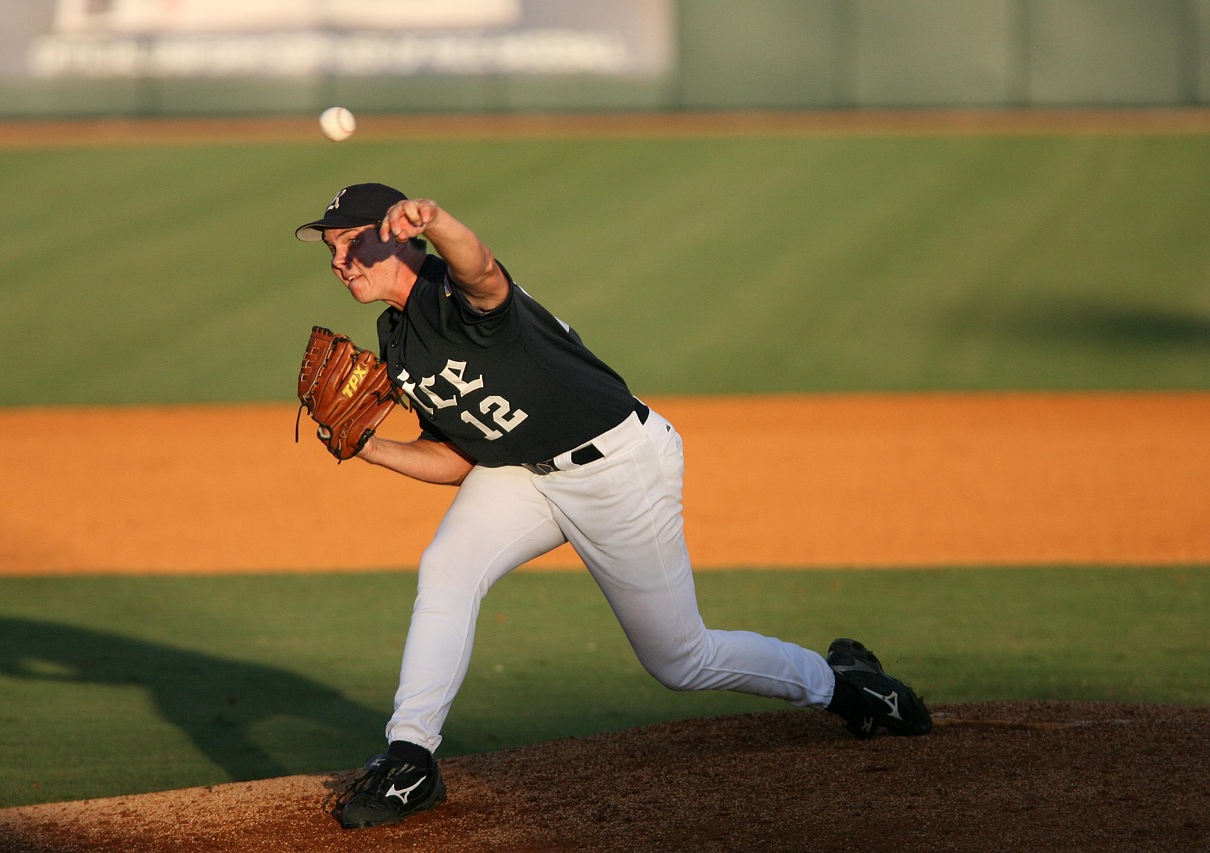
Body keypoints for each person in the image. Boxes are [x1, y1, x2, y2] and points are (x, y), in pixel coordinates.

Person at [294, 182, 931, 830]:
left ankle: (847, 687)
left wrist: (437, 219)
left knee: (681, 660)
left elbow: (481, 268)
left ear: (397, 233)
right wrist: (374, 448)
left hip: (620, 468)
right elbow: (462, 457)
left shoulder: (455, 293)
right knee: (447, 568)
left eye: (350, 243)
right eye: (332, 248)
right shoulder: (396, 340)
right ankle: (412, 757)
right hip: (520, 470)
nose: (338, 260)